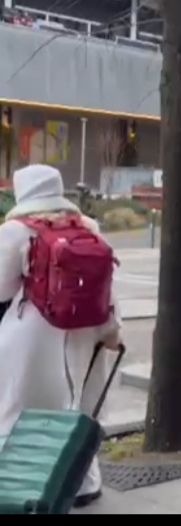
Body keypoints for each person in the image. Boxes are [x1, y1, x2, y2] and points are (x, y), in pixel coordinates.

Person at [0, 164, 122, 508]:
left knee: (18, 409)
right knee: (79, 407)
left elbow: (1, 287)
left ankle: (18, 484)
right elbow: (106, 285)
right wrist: (113, 329)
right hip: (90, 330)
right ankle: (84, 483)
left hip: (35, 331)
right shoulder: (88, 227)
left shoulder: (15, 231)